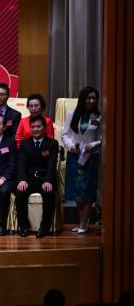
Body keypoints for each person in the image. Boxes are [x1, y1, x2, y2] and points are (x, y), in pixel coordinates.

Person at [63, 86, 101, 233]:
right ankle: (81, 221)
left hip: (91, 157)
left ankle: (84, 223)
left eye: (94, 98)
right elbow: (65, 134)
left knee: (88, 189)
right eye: (89, 98)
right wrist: (71, 146)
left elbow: (103, 137)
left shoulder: (99, 116)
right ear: (82, 99)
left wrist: (94, 144)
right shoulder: (72, 114)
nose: (91, 101)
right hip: (75, 155)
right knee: (76, 190)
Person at [15, 115, 59, 238]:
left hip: (45, 179)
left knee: (49, 193)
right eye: (33, 127)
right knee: (20, 192)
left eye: (38, 126)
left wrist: (48, 180)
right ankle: (23, 226)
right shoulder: (24, 144)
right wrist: (22, 180)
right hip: (28, 179)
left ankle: (44, 227)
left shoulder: (52, 143)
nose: (35, 129)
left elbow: (52, 164)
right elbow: (21, 164)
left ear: (44, 128)